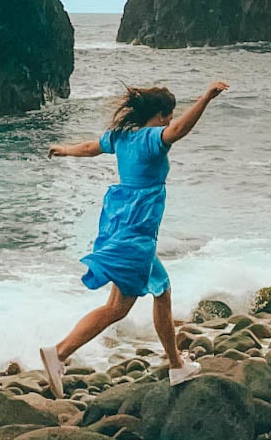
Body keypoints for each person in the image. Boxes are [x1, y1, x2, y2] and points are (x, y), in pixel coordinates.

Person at [40, 80, 229, 397]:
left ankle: (176, 364)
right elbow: (180, 129)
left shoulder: (121, 137)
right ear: (158, 115)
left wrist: (64, 150)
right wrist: (206, 97)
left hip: (124, 223)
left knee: (162, 289)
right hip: (137, 230)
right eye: (167, 115)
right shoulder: (151, 139)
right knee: (117, 307)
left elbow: (91, 147)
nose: (169, 120)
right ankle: (58, 353)